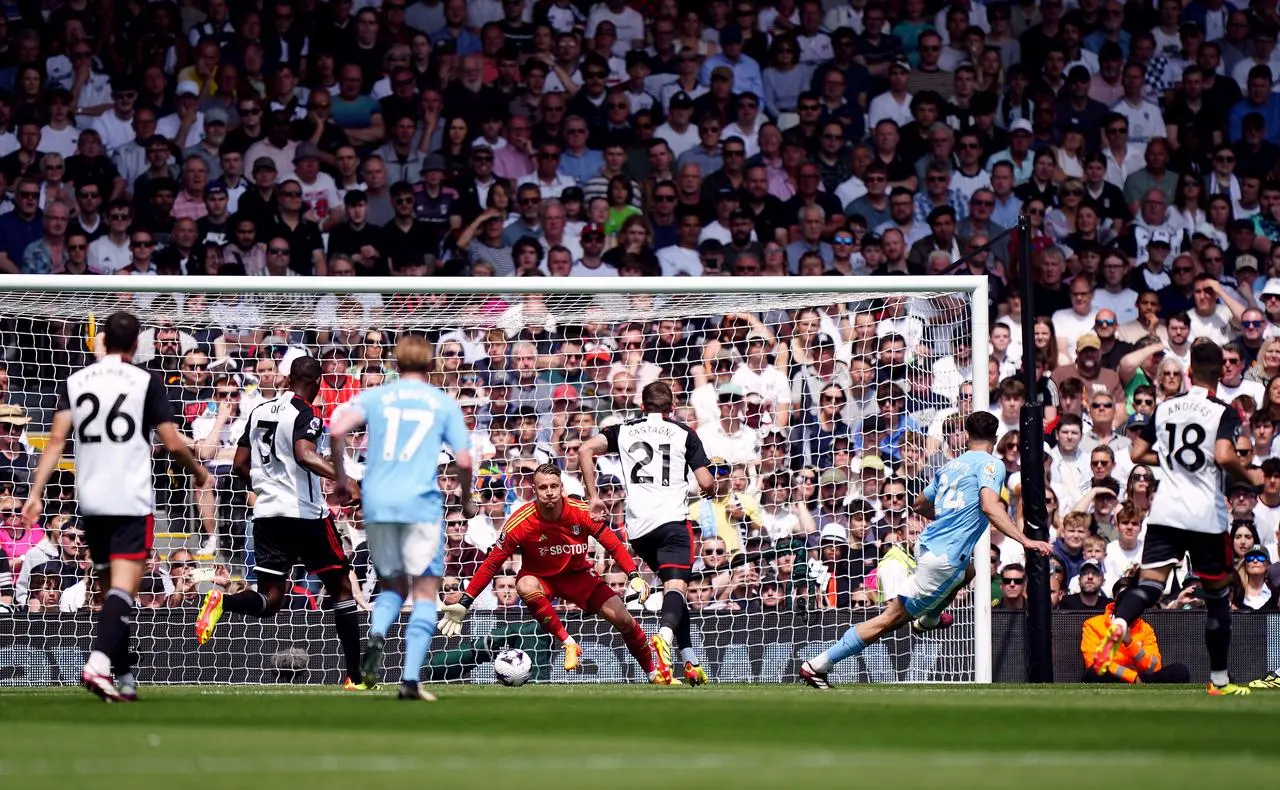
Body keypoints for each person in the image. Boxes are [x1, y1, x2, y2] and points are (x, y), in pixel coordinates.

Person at [22, 311, 209, 701]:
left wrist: (36, 493)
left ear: (102, 340)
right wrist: (199, 472)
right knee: (124, 590)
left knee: (111, 594)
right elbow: (173, 443)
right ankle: (97, 663)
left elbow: (56, 441)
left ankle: (123, 677)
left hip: (90, 499)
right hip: (129, 496)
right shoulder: (146, 380)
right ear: (138, 342)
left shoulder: (76, 380)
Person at [798, 411, 1053, 689]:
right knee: (888, 621)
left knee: (968, 571)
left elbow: (919, 505)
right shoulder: (992, 465)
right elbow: (990, 506)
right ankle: (818, 665)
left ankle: (929, 618)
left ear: (966, 437)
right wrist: (1026, 541)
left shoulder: (950, 467)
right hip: (942, 559)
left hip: (927, 545)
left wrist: (948, 516)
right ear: (994, 438)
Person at [1094, 339, 1261, 695]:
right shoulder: (1224, 410)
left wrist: (1171, 459)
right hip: (1204, 516)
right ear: (1220, 372)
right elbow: (1223, 454)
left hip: (1165, 511)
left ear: (1188, 372)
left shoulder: (1167, 406)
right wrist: (1249, 476)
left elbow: (1138, 452)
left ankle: (1121, 620)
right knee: (1217, 597)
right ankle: (1219, 681)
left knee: (1150, 586)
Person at [192, 355, 366, 691]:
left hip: (267, 516)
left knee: (270, 600)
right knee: (342, 588)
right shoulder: (306, 411)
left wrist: (264, 488)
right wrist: (345, 480)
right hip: (305, 516)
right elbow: (304, 453)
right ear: (316, 384)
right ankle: (355, 677)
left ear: (288, 378)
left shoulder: (258, 411)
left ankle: (221, 601)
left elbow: (240, 464)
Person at [330, 335, 477, 701]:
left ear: (395, 365)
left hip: (378, 504)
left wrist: (344, 480)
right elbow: (463, 460)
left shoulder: (378, 396)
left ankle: (377, 633)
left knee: (393, 586)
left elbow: (335, 428)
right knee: (425, 590)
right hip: (419, 504)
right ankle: (410, 680)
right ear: (431, 365)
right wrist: (468, 498)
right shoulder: (441, 402)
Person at [439, 464, 659, 681]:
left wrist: (634, 575)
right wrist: (465, 602)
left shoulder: (581, 511)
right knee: (524, 585)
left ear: (561, 487)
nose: (550, 492)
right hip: (541, 578)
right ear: (534, 490)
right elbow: (491, 564)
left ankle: (653, 673)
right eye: (543, 487)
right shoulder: (520, 522)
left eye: (554, 486)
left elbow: (613, 543)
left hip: (579, 576)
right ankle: (568, 642)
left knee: (624, 620)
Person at [579, 380, 715, 686]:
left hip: (639, 530)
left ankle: (690, 662)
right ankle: (664, 636)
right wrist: (717, 486)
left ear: (643, 407)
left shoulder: (622, 429)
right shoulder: (683, 433)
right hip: (672, 523)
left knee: (672, 591)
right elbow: (705, 483)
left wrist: (593, 496)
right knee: (677, 589)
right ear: (672, 408)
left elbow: (585, 449)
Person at [1081, 573, 1191, 684]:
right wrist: (1132, 678)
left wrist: (1130, 643)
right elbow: (1092, 661)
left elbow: (1154, 667)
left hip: (1143, 679)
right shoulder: (1093, 624)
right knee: (1094, 672)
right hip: (1114, 678)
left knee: (1180, 671)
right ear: (1116, 601)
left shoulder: (1145, 628)